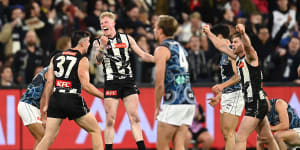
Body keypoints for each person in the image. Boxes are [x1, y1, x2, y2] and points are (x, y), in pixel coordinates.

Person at [202, 24, 279, 150]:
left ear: (243, 43)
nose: (233, 44)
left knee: (240, 138)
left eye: (236, 42)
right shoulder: (238, 58)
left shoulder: (251, 56)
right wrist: (209, 33)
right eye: (232, 42)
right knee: (267, 138)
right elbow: (221, 46)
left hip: (256, 103)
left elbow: (248, 46)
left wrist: (243, 34)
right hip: (256, 102)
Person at [93, 12, 154, 150]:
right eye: (102, 23)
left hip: (127, 81)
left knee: (134, 117)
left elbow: (143, 54)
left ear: (113, 23)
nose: (103, 25)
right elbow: (97, 62)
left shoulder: (127, 38)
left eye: (106, 22)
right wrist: (102, 46)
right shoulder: (98, 42)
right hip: (111, 82)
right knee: (110, 119)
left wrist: (159, 59)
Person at [36, 30, 104, 150]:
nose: (89, 44)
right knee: (95, 131)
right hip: (72, 98)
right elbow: (86, 86)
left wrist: (46, 103)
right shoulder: (82, 60)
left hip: (56, 98)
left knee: (48, 137)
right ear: (82, 43)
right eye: (88, 42)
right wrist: (104, 96)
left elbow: (50, 82)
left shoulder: (55, 57)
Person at [153, 15, 196, 150]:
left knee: (162, 146)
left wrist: (156, 106)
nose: (154, 30)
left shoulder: (161, 49)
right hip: (188, 100)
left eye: (155, 27)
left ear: (160, 30)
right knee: (179, 145)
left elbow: (159, 83)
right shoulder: (180, 47)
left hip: (174, 101)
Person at [208, 24, 244, 150]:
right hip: (229, 93)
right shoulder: (224, 53)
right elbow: (229, 78)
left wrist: (221, 86)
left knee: (229, 132)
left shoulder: (230, 51)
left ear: (219, 37)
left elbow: (239, 76)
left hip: (235, 93)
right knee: (227, 133)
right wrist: (219, 95)